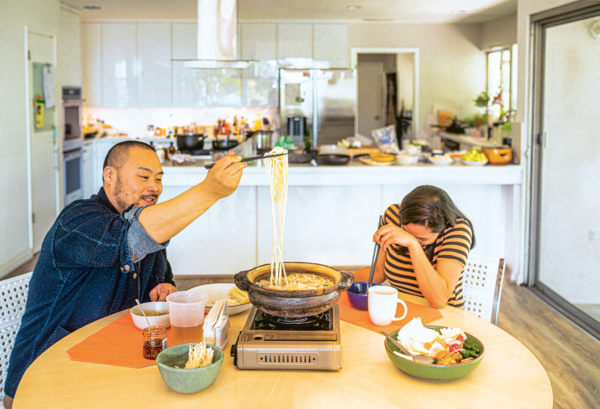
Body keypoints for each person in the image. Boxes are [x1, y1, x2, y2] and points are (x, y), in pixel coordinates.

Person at [3, 141, 246, 408]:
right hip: (45, 378)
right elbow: (133, 239)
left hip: (109, 365)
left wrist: (166, 287)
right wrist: (210, 190)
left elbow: (162, 276)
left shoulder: (145, 223)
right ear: (110, 175)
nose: (154, 187)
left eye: (158, 178)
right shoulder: (77, 220)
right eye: (143, 177)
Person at [353, 185, 475, 309]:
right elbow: (379, 271)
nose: (407, 238)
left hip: (446, 318)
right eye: (405, 231)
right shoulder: (392, 217)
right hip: (402, 309)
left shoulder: (457, 230)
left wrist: (413, 244)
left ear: (444, 225)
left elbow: (439, 300)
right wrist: (341, 279)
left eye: (422, 239)